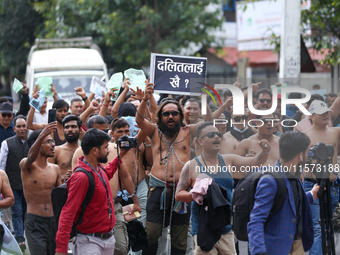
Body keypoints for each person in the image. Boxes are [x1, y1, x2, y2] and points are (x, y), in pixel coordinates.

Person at [136, 81, 212, 255]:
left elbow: (209, 121)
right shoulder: (155, 132)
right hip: (157, 190)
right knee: (152, 232)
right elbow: (139, 119)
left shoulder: (188, 131)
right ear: (160, 117)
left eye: (174, 113)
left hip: (181, 191)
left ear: (180, 115)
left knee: (179, 237)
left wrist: (204, 99)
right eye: (166, 114)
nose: (170, 117)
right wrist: (145, 99)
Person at [175, 121, 271, 255]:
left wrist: (265, 151)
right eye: (211, 135)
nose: (216, 137)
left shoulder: (228, 160)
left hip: (226, 229)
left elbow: (255, 161)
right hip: (203, 229)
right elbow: (178, 194)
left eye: (218, 134)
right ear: (201, 141)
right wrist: (197, 194)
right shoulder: (191, 166)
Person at [55, 128, 138, 255]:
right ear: (95, 150)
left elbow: (107, 173)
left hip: (107, 239)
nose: (109, 150)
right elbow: (67, 214)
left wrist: (120, 155)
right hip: (89, 242)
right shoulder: (81, 177)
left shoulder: (97, 169)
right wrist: (61, 249)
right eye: (105, 147)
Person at [248, 131, 319, 255]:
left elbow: (290, 203)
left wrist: (312, 194)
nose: (310, 155)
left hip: (297, 246)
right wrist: (259, 251)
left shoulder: (294, 175)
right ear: (300, 155)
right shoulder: (271, 180)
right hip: (277, 248)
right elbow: (256, 219)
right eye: (307, 151)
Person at [302, 100, 340, 255]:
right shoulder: (304, 136)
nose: (326, 115)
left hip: (333, 186)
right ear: (312, 116)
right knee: (316, 227)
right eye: (322, 113)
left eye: (327, 112)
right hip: (313, 185)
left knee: (328, 226)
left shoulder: (335, 132)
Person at [20, 122, 62, 255]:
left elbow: (59, 196)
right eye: (48, 142)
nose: (53, 145)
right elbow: (31, 157)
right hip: (35, 222)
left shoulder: (55, 169)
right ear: (37, 145)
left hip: (53, 221)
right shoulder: (26, 165)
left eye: (53, 141)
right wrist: (42, 133)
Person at [0, 115, 29, 251]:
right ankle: (20, 239)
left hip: (29, 187)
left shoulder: (33, 143)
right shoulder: (7, 143)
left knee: (25, 212)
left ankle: (24, 235)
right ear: (14, 128)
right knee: (16, 212)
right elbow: (2, 165)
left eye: (24, 126)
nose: (22, 129)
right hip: (13, 185)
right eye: (19, 126)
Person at [48, 115, 81, 182]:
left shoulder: (84, 151)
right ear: (63, 131)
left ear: (80, 130)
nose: (70, 129)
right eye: (67, 127)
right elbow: (47, 175)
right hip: (62, 190)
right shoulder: (56, 151)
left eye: (73, 127)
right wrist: (63, 177)